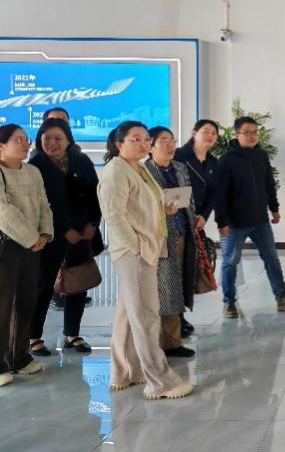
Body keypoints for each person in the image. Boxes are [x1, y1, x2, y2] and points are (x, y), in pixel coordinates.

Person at [98, 121, 192, 400]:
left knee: (129, 314)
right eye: (135, 139)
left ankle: (125, 372)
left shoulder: (139, 168)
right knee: (146, 316)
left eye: (146, 139)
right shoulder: (116, 171)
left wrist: (164, 207)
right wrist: (137, 247)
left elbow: (142, 203)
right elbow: (114, 215)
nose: (143, 144)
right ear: (119, 144)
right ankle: (160, 382)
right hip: (135, 253)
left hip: (148, 247)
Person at [215, 116, 285, 318]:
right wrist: (222, 221)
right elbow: (220, 193)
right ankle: (229, 302)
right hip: (236, 223)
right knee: (230, 262)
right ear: (237, 134)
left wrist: (274, 208)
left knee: (272, 258)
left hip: (260, 221)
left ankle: (281, 297)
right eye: (247, 132)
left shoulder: (261, 156)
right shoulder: (227, 160)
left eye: (255, 132)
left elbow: (269, 184)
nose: (252, 136)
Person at [28, 119, 101, 356]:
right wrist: (63, 229)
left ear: (68, 140)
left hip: (82, 234)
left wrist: (92, 223)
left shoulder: (81, 161)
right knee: (43, 286)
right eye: (46, 138)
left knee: (77, 284)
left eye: (58, 138)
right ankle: (34, 337)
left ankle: (72, 335)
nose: (52, 143)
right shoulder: (35, 166)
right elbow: (40, 205)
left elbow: (94, 195)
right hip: (50, 235)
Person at [0, 124, 53, 387]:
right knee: (3, 304)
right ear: (1, 146)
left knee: (25, 301)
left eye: (25, 139)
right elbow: (3, 212)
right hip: (7, 246)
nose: (24, 144)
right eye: (17, 140)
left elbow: (44, 204)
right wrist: (32, 238)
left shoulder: (32, 171)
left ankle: (19, 357)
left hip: (33, 246)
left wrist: (45, 234)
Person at [144, 126, 197, 358]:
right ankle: (158, 344)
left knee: (177, 288)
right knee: (163, 291)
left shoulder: (180, 167)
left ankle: (173, 342)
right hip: (159, 239)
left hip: (182, 234)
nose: (170, 145)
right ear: (151, 146)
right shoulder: (145, 172)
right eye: (164, 141)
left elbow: (189, 200)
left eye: (172, 140)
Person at [173, 119, 219, 336]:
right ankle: (175, 318)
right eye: (205, 131)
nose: (210, 136)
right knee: (177, 271)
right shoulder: (179, 156)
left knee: (189, 270)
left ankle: (181, 316)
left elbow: (214, 192)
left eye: (214, 133)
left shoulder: (213, 162)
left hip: (196, 222)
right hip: (177, 221)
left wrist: (204, 215)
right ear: (194, 133)